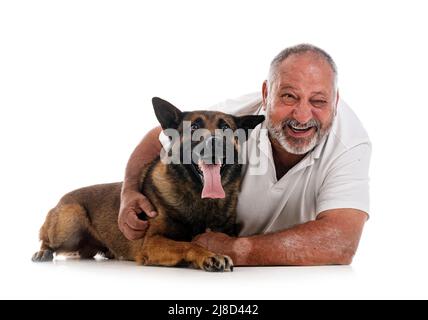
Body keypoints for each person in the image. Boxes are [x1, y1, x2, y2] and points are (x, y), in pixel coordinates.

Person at [118, 44, 371, 266]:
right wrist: (129, 191)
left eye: (318, 101)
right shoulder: (232, 118)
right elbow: (159, 137)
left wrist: (234, 250)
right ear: (266, 94)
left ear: (336, 101)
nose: (303, 116)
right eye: (289, 96)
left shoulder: (350, 143)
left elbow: (341, 242)